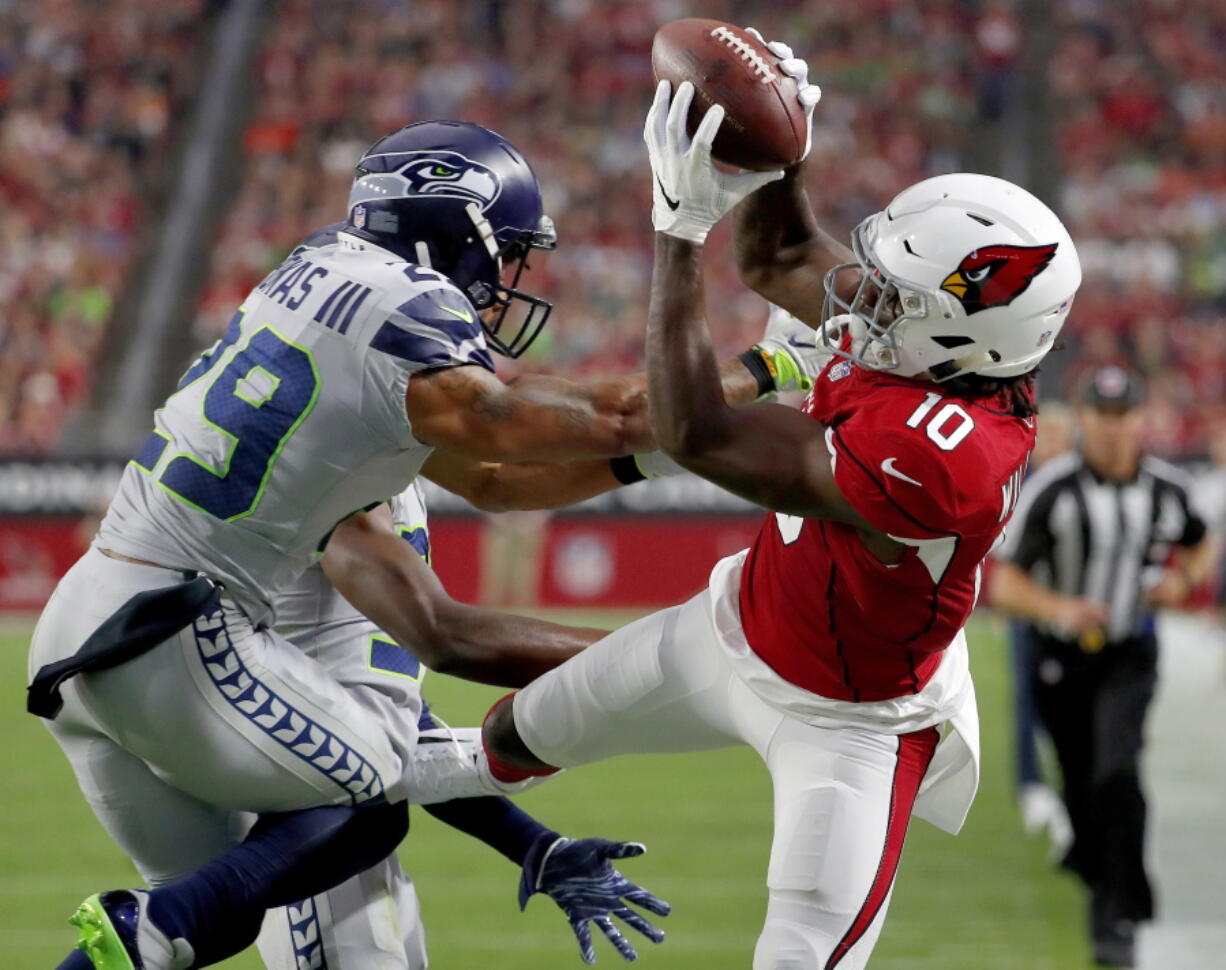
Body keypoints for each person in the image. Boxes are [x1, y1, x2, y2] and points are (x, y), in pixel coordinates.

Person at [29, 120, 829, 970]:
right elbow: (594, 429)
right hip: (177, 631)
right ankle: (144, 929)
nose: (506, 280)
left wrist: (536, 839)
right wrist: (769, 372)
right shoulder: (406, 311)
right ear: (455, 225)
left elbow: (496, 478)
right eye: (507, 249)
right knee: (364, 798)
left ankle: (149, 933)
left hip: (91, 633)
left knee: (208, 926)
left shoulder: (323, 289)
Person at [483, 34, 1083, 970]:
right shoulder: (941, 346)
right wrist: (782, 146)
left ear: (970, 338)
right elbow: (785, 256)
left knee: (798, 958)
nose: (868, 294)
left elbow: (699, 436)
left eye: (901, 295)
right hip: (736, 623)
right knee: (510, 735)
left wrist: (678, 233)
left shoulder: (942, 458)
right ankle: (328, 799)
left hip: (851, 724)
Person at [256, 480, 669, 969]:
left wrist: (537, 845)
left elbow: (399, 731)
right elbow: (443, 639)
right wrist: (651, 662)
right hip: (303, 828)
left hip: (351, 828)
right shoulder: (345, 470)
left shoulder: (394, 467)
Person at [990, 366, 1213, 968]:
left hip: (1129, 654)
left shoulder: (1167, 488)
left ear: (1142, 420)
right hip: (1060, 658)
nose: (1114, 429)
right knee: (1082, 783)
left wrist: (1184, 579)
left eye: (1124, 416)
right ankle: (1097, 864)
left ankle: (1116, 911)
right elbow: (1004, 584)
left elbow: (1200, 539)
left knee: (1117, 772)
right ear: (1085, 418)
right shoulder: (1054, 491)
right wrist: (1059, 607)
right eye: (1103, 416)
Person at [1007, 402, 1074, 851]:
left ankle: (1070, 785)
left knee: (1072, 702)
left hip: (1070, 609)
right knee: (1026, 694)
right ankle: (1030, 783)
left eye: (1057, 435)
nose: (1048, 444)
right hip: (1028, 607)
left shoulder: (1079, 486)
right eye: (1043, 434)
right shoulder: (1023, 485)